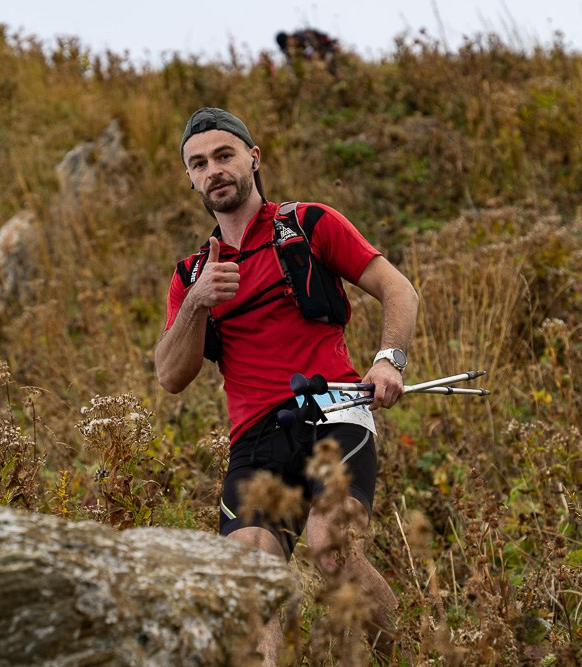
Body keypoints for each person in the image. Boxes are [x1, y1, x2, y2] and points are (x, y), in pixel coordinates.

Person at [155, 107, 418, 663]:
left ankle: (411, 655)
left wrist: (389, 361)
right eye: (198, 164)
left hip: (334, 412)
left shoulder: (309, 224)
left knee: (331, 551)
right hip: (254, 442)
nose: (213, 171)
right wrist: (198, 302)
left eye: (224, 156)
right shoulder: (190, 274)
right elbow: (171, 377)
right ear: (190, 178)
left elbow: (398, 289)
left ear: (254, 157)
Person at [275, 28, 339, 75]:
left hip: (326, 51)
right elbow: (291, 66)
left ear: (289, 38)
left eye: (287, 45)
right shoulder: (289, 52)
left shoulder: (300, 37)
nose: (288, 48)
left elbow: (310, 50)